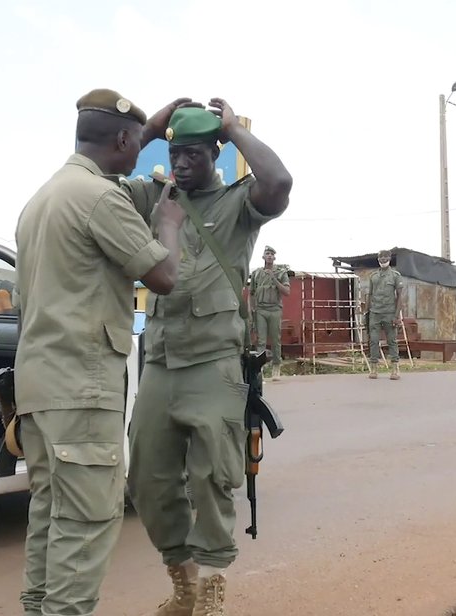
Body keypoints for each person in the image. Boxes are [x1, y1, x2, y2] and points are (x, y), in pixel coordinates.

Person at [14, 89, 186, 616]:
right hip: (81, 386)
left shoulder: (43, 198)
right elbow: (163, 276)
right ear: (121, 139)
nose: (143, 155)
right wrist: (169, 226)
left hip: (41, 387)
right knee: (87, 524)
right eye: (138, 143)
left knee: (51, 516)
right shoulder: (100, 199)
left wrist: (150, 129)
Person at [123, 99, 292, 616]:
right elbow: (100, 187)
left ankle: (212, 582)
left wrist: (236, 128)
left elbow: (279, 183)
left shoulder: (239, 203)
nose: (180, 163)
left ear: (214, 154)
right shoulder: (155, 194)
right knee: (146, 479)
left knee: (212, 476)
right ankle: (184, 579)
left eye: (192, 154)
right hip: (160, 362)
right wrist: (148, 126)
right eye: (174, 152)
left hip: (214, 363)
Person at [249, 246, 290, 380]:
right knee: (261, 340)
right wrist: (251, 308)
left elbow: (287, 292)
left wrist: (274, 279)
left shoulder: (281, 272)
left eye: (272, 254)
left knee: (275, 339)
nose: (270, 256)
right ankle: (259, 370)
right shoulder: (256, 273)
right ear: (263, 257)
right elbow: (251, 293)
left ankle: (276, 366)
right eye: (267, 253)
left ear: (275, 257)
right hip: (260, 309)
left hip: (274, 309)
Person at [365, 249, 406, 380]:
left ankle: (395, 369)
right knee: (374, 341)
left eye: (385, 257)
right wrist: (367, 312)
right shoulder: (373, 276)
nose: (383, 260)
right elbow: (369, 295)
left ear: (389, 258)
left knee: (392, 341)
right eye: (380, 257)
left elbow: (399, 296)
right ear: (378, 259)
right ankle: (373, 369)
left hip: (389, 313)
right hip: (375, 313)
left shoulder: (395, 275)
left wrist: (396, 315)